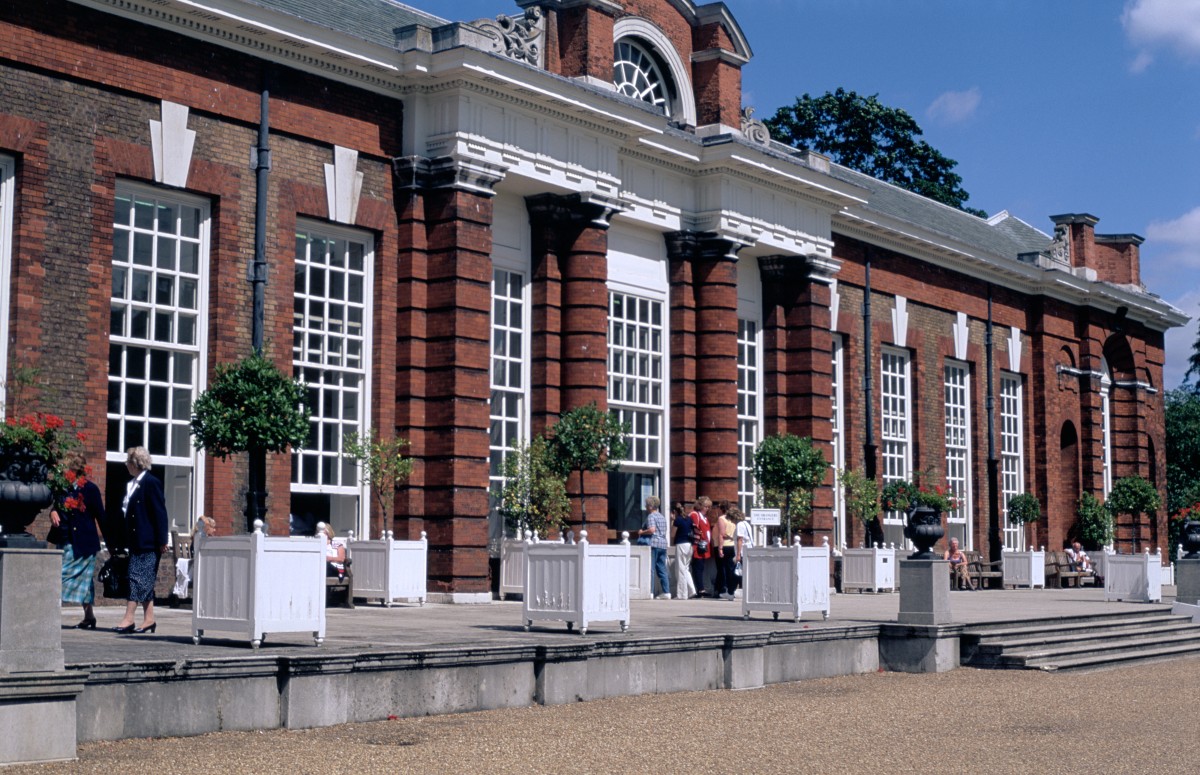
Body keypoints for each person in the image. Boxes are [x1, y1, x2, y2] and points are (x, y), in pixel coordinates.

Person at [114, 446, 169, 634]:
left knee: (137, 579)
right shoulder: (134, 483)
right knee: (143, 580)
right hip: (136, 541)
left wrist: (162, 540)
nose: (126, 465)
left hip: (149, 541)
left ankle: (128, 618)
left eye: (128, 461)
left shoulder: (151, 482)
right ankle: (149, 620)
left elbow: (159, 512)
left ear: (135, 463)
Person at [49, 452, 107, 629]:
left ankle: (48, 617)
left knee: (57, 579)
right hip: (64, 539)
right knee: (85, 582)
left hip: (83, 544)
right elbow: (55, 505)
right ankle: (89, 617)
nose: (64, 473)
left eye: (67, 469)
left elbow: (101, 517)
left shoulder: (90, 489)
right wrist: (53, 511)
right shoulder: (63, 488)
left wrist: (112, 544)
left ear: (75, 470)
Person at [635, 496, 671, 599]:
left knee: (650, 568)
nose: (645, 507)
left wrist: (642, 532)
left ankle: (650, 592)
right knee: (661, 568)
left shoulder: (651, 516)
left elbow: (651, 530)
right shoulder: (662, 516)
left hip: (654, 543)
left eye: (646, 505)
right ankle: (666, 592)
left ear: (651, 506)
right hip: (663, 544)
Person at [670, 502, 696, 600]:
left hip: (681, 544)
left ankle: (682, 594)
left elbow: (672, 534)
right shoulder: (689, 519)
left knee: (681, 569)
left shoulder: (678, 520)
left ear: (674, 512)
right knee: (686, 568)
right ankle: (691, 590)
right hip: (690, 545)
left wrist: (672, 521)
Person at [712, 499, 737, 600]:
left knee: (721, 569)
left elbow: (721, 534)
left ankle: (723, 589)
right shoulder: (733, 519)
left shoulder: (721, 518)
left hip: (724, 545)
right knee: (730, 569)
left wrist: (720, 548)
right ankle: (731, 590)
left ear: (721, 508)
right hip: (732, 545)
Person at [690, 496, 712, 597]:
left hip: (704, 547)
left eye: (708, 507)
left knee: (701, 567)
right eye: (705, 506)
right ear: (700, 506)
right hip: (697, 546)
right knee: (697, 568)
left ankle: (701, 588)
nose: (707, 509)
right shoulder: (695, 515)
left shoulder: (705, 518)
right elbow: (695, 529)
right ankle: (700, 590)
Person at [733, 506, 753, 589]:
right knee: (744, 571)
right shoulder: (746, 523)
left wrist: (738, 554)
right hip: (748, 549)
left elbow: (740, 539)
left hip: (743, 551)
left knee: (739, 571)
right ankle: (742, 587)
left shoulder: (740, 524)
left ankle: (736, 589)